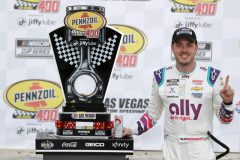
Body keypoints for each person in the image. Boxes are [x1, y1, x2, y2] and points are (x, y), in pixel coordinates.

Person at [123, 27, 235, 160]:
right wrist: (131, 130)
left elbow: (225, 120)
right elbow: (152, 115)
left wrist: (228, 102)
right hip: (172, 149)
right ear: (172, 47)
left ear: (196, 48)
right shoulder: (161, 76)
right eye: (179, 45)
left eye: (189, 45)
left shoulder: (212, 76)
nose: (184, 50)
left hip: (201, 149)